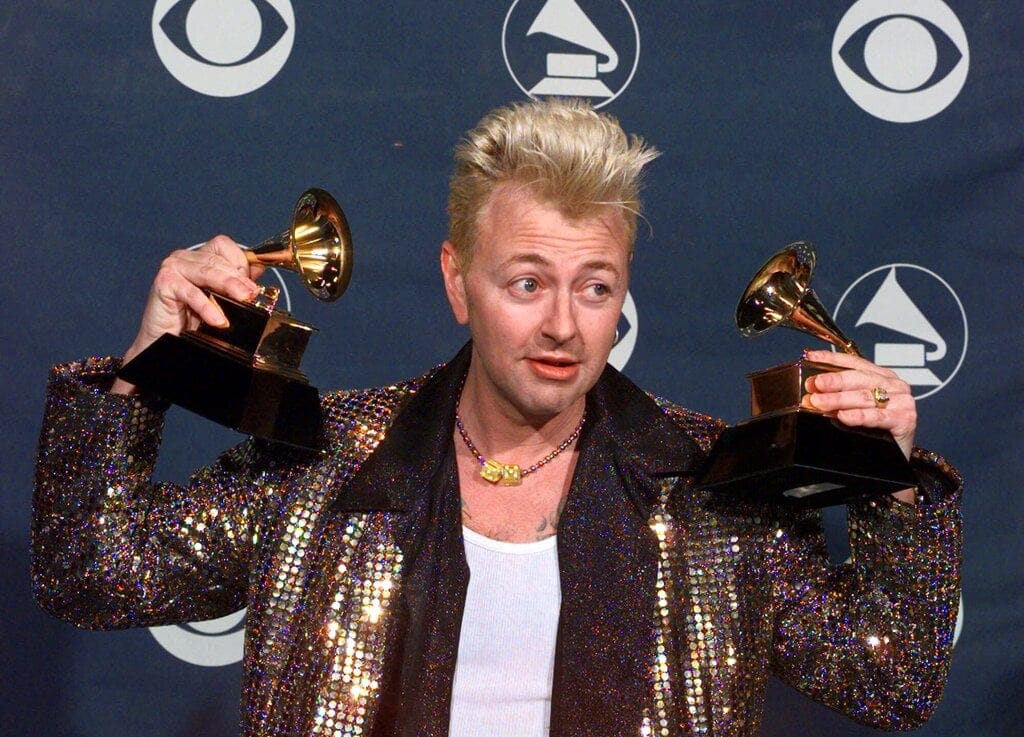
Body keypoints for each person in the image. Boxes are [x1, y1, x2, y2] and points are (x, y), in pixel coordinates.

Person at [32, 99, 962, 737]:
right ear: (458, 283)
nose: (563, 324)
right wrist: (144, 371)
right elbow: (92, 572)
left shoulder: (713, 486)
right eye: (526, 282)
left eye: (594, 287)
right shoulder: (323, 462)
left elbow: (888, 679)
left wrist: (889, 484)